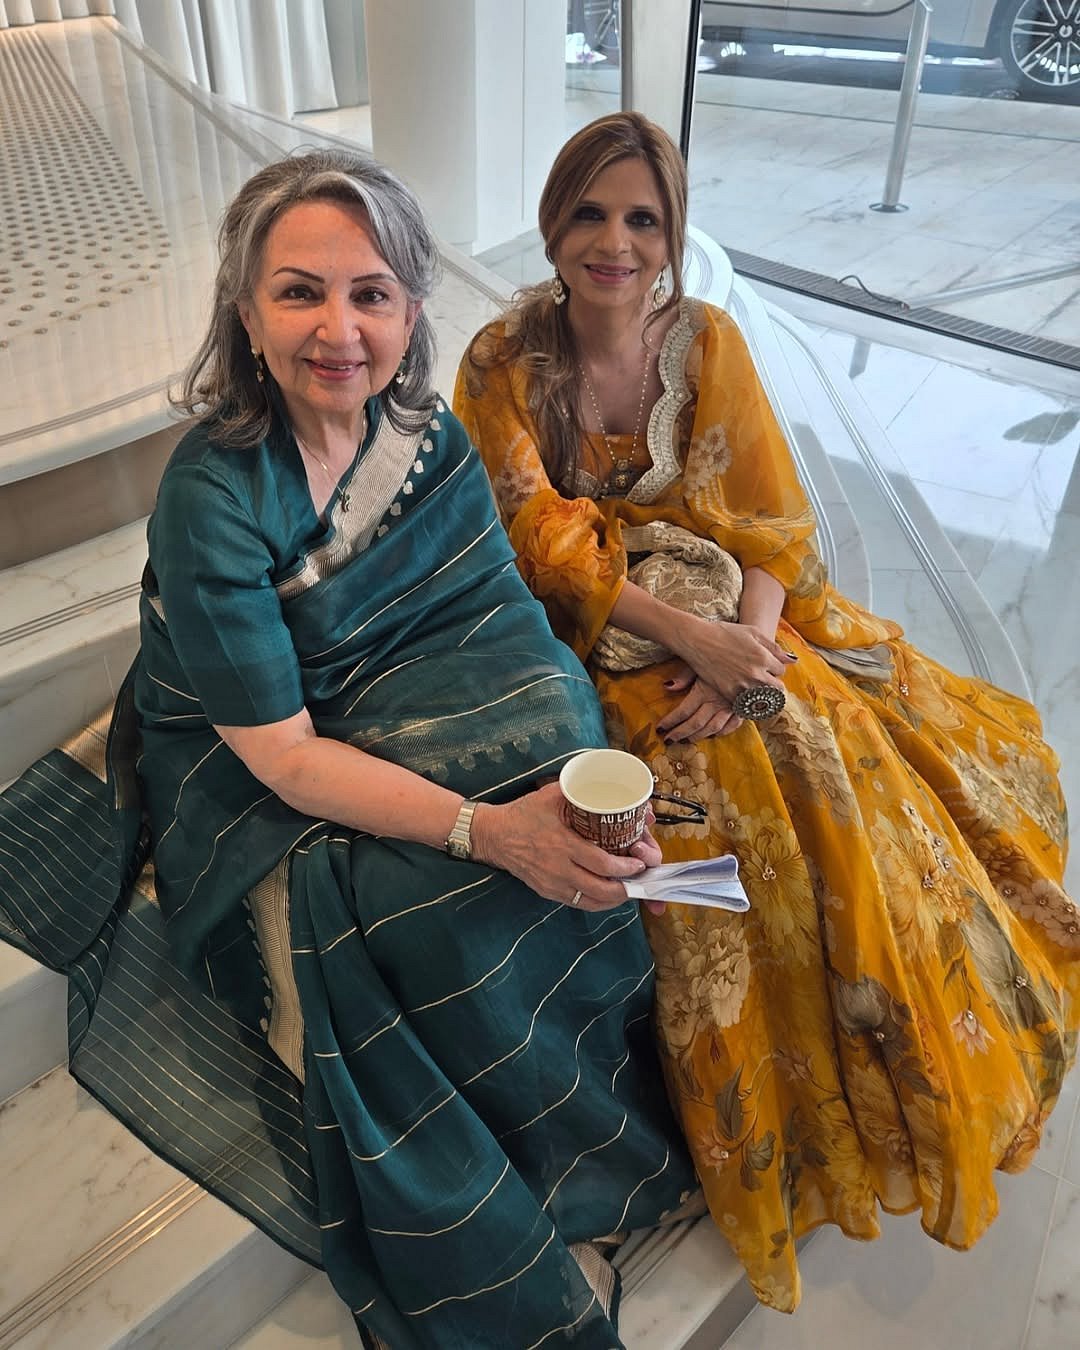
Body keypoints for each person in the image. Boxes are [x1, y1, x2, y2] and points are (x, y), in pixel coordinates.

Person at [0, 149, 700, 1349]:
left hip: (418, 701)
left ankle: (576, 1139)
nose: (339, 331)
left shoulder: (427, 440)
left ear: (412, 310)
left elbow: (498, 614)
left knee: (574, 803)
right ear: (245, 312)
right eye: (299, 293)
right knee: (442, 915)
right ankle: (500, 1190)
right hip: (257, 753)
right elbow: (280, 756)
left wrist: (556, 744)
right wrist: (489, 828)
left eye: (371, 293)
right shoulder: (213, 495)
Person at [453, 111, 1079, 1314]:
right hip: (593, 629)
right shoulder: (501, 362)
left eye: (644, 219)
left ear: (674, 234)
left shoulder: (709, 342)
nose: (616, 243)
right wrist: (689, 640)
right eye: (590, 214)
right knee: (711, 797)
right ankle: (773, 1113)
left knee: (813, 738)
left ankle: (890, 1050)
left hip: (731, 613)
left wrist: (748, 650)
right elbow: (536, 542)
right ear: (552, 222)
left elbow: (775, 525)